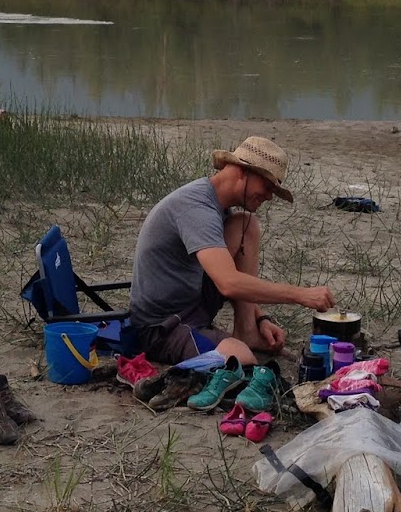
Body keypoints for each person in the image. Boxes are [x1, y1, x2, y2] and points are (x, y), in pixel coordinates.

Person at [127, 135, 335, 367]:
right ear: (241, 172)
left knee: (247, 225)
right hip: (162, 327)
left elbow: (223, 274)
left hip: (191, 304)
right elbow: (228, 283)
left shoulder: (217, 206)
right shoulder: (197, 208)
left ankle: (246, 330)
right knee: (241, 358)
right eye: (267, 186)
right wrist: (301, 295)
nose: (268, 196)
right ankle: (209, 357)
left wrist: (260, 318)